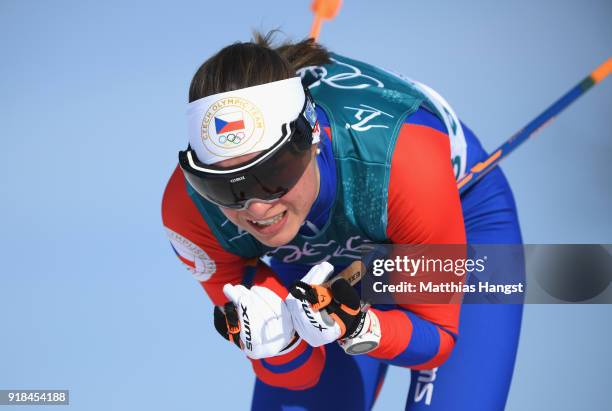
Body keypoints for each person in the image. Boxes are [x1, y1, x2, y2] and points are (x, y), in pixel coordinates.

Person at [161, 32, 523, 410]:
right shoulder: (190, 212)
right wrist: (280, 347)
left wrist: (363, 328)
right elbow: (300, 378)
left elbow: (436, 339)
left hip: (452, 215)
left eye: (272, 176)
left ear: (311, 138)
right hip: (318, 251)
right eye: (223, 188)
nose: (255, 207)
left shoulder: (404, 161)